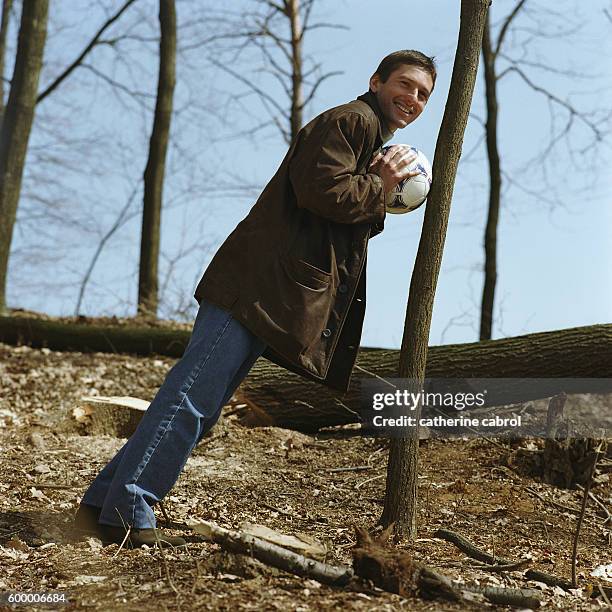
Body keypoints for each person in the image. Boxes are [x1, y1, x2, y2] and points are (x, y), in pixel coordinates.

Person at [74, 50, 436, 547]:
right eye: (405, 84)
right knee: (191, 399)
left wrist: (377, 187)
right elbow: (322, 191)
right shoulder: (349, 121)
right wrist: (382, 186)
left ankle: (104, 500)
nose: (413, 98)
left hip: (268, 292)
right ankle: (130, 503)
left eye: (423, 94)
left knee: (199, 403)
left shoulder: (368, 136)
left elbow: (333, 214)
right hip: (253, 286)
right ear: (376, 81)